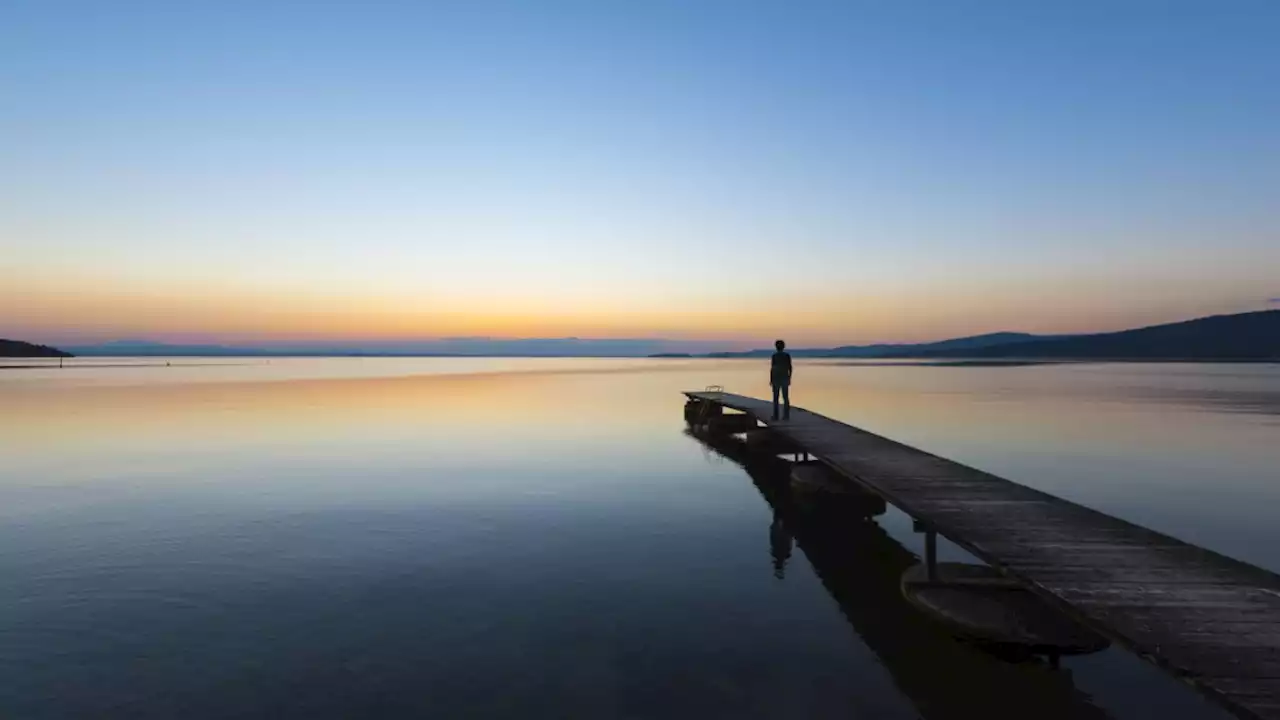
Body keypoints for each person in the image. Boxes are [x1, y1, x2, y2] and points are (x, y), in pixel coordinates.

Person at [770, 339, 792, 420]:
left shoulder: (774, 356)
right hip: (784, 377)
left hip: (777, 378)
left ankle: (776, 416)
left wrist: (771, 379)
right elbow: (790, 367)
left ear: (776, 347)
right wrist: (789, 377)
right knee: (785, 397)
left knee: (776, 398)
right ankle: (786, 416)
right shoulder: (786, 355)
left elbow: (772, 368)